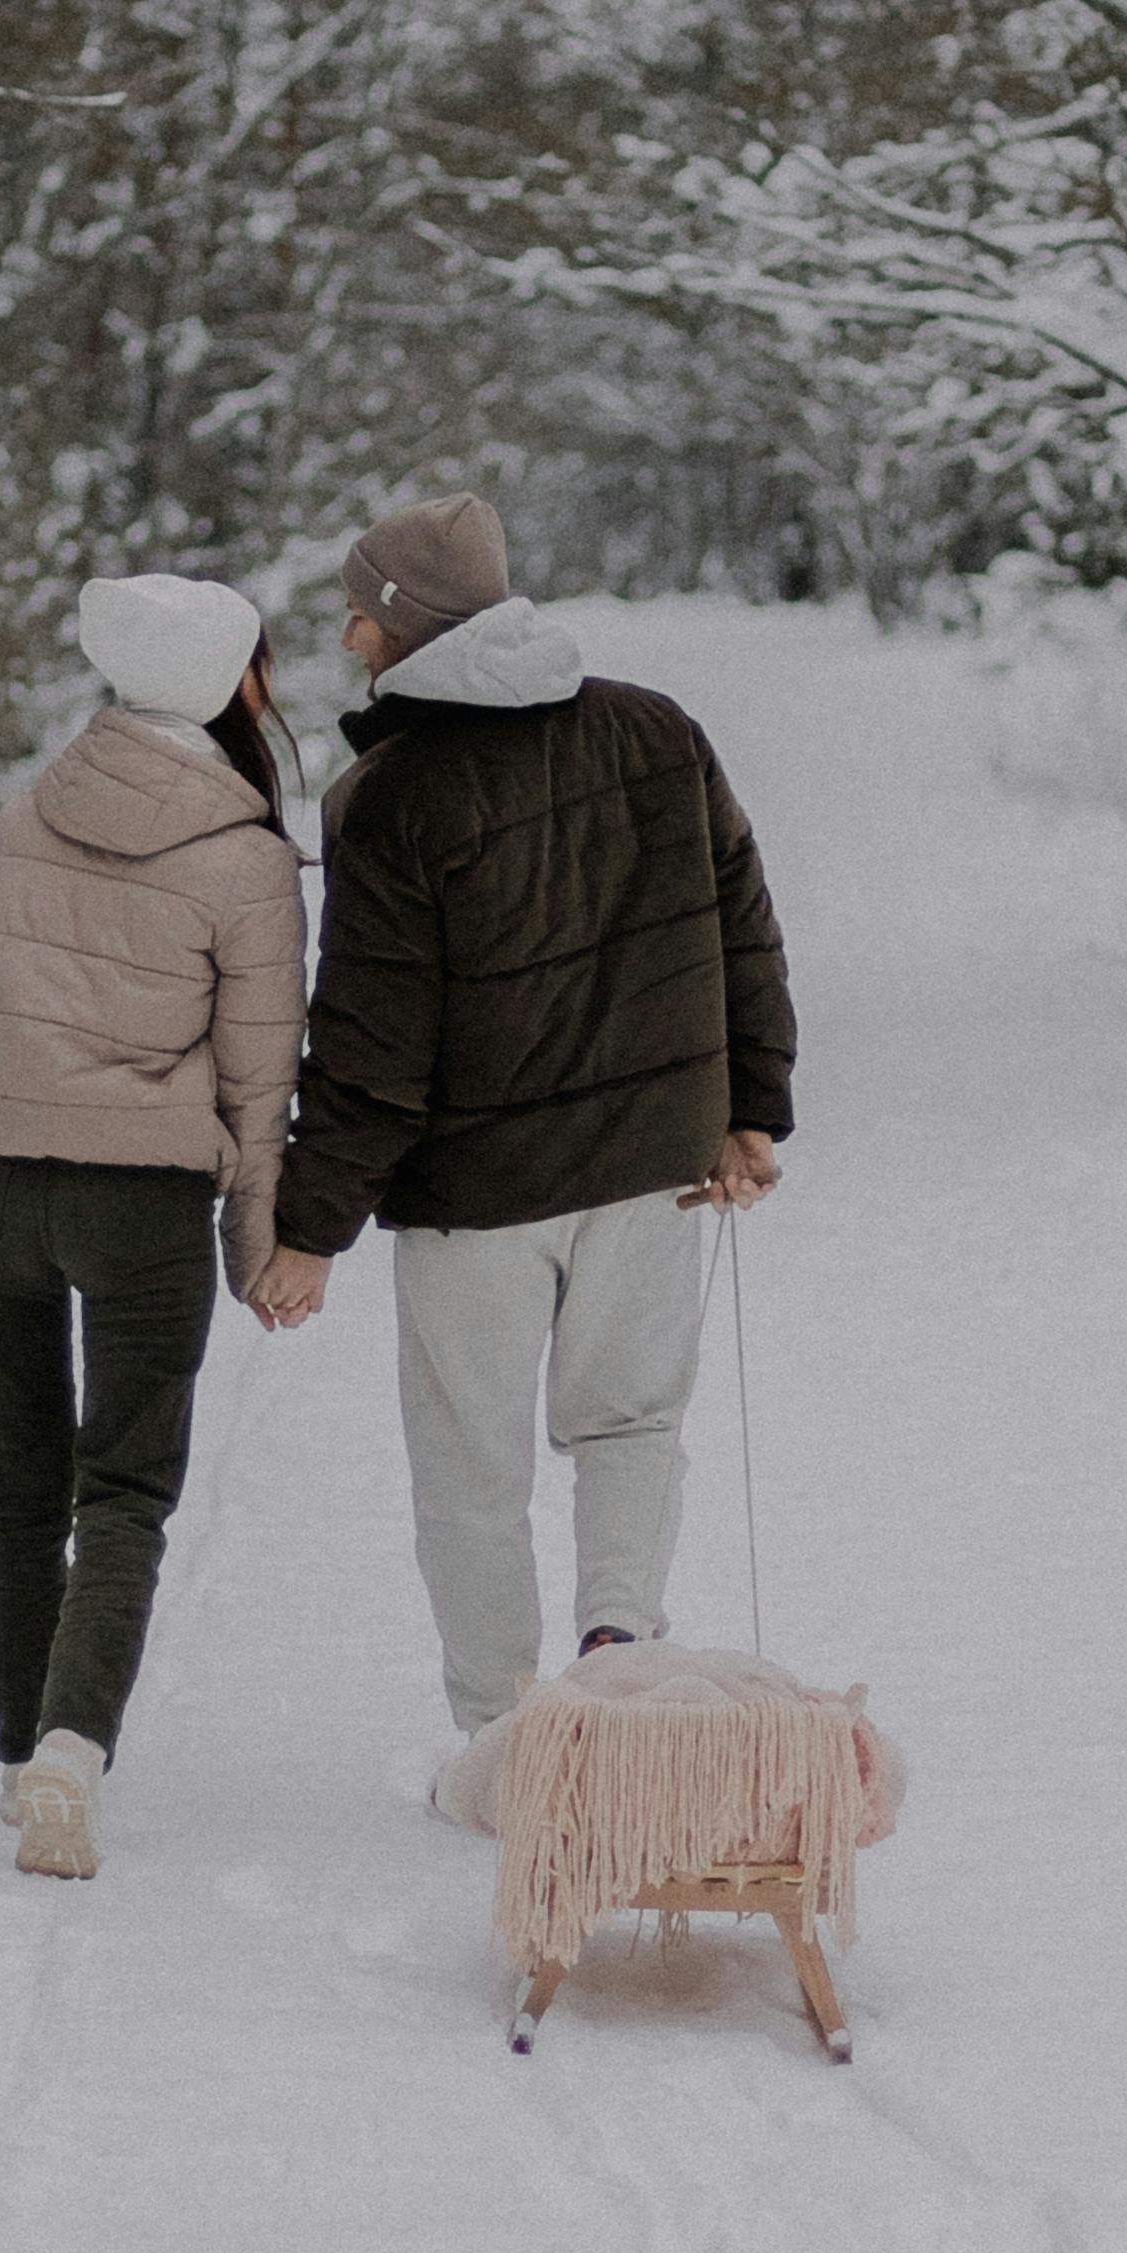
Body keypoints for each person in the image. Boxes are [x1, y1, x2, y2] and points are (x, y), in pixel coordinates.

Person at [252, 493, 795, 1748]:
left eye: (358, 609)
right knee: (632, 1422)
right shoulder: (655, 732)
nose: (344, 632)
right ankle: (620, 1659)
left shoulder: (387, 797)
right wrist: (748, 1106)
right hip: (655, 1169)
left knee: (468, 1472)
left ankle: (504, 1736)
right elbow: (743, 923)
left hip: (477, 1200)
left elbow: (373, 1047)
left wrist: (310, 1228)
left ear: (403, 622)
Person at [0, 573, 300, 1878]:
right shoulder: (248, 856)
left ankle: (11, 1757)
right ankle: (69, 1752)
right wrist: (258, 1248)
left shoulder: (26, 818)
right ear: (224, 684)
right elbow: (260, 1080)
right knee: (127, 1490)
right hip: (138, 1202)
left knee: (16, 1493)